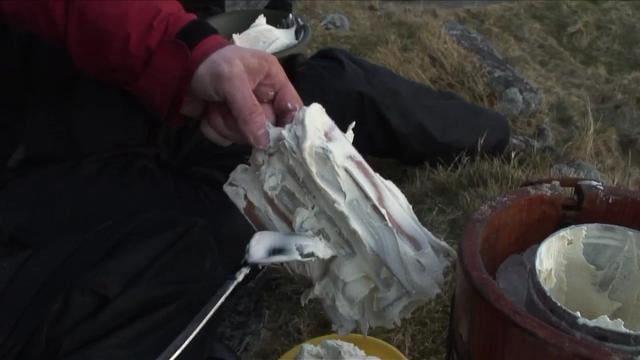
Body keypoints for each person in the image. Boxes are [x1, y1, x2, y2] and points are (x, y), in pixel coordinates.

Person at [0, 1, 509, 359]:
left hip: (127, 100)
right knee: (200, 238)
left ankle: (499, 138)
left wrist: (191, 56)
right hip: (40, 179)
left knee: (324, 92)